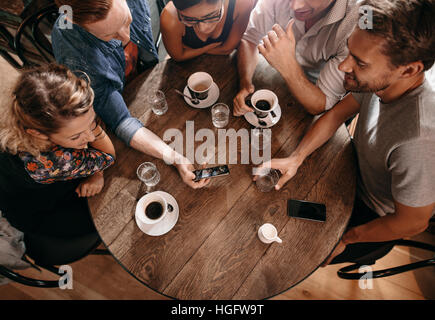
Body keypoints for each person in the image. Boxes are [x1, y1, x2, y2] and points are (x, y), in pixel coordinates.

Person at [256, 0, 435, 265]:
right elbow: (337, 113)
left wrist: (347, 238)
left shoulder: (419, 140)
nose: (343, 67)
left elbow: (412, 223)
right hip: (351, 170)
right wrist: (297, 157)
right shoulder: (382, 83)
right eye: (350, 52)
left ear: (409, 70)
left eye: (360, 63)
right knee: (271, 207)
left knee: (288, 251)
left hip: (369, 215)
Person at [52, 0, 208, 189]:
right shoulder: (73, 50)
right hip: (122, 97)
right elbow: (121, 120)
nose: (126, 37)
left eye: (126, 21)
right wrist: (175, 158)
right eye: (109, 35)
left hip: (148, 74)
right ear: (76, 22)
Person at [0, 64, 115, 265]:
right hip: (45, 214)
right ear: (39, 133)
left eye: (91, 120)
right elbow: (107, 155)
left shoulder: (25, 117)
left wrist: (83, 129)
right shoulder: (51, 163)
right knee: (110, 212)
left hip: (15, 192)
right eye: (76, 135)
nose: (88, 137)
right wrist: (97, 170)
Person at [233, 0, 359, 116]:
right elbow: (250, 38)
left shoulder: (360, 23)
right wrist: (245, 83)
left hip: (315, 90)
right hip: (273, 77)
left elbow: (322, 103)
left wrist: (288, 65)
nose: (294, 6)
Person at [160, 0, 256, 61]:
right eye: (189, 19)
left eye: (212, 16)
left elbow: (227, 50)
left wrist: (188, 51)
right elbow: (178, 57)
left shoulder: (243, 3)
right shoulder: (169, 18)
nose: (203, 28)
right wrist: (208, 47)